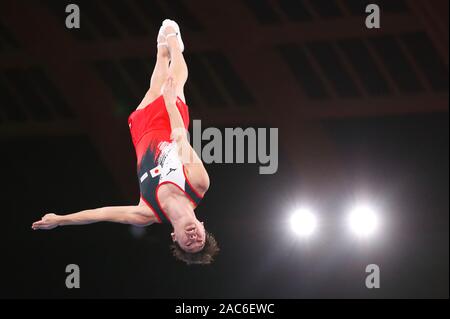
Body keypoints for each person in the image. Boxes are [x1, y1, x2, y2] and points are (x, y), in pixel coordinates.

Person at [32, 19, 219, 265]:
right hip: (169, 123)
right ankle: (174, 41)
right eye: (200, 240)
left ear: (175, 238)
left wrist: (60, 219)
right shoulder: (198, 183)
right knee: (175, 80)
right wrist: (171, 102)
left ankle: (161, 50)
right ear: (202, 227)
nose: (193, 238)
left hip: (141, 132)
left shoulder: (146, 212)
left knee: (155, 86)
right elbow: (180, 139)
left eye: (188, 244)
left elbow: (101, 214)